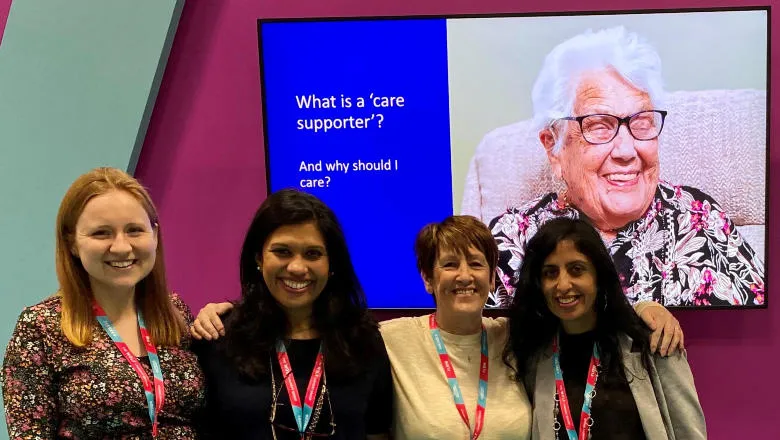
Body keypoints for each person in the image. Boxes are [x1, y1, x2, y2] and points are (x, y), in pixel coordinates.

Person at [192, 214, 685, 439]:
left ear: (494, 275)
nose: (464, 276)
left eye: (477, 263)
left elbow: (587, 322)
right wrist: (224, 311)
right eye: (449, 264)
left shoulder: (523, 340)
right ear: (428, 277)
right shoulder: (387, 338)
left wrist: (647, 307)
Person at [487, 26, 764, 308]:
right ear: (553, 147)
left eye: (641, 123)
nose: (626, 151)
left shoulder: (699, 219)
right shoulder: (512, 241)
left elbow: (757, 334)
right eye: (598, 126)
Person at [1, 167, 205, 439]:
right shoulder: (40, 327)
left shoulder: (175, 313)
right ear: (72, 242)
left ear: (154, 235)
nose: (121, 247)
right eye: (101, 233)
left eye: (134, 230)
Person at [192, 188, 392, 439]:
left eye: (313, 254)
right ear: (258, 258)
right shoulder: (218, 336)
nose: (297, 267)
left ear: (331, 265)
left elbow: (377, 432)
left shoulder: (363, 340)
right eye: (282, 251)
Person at [504, 217, 706, 439]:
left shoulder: (652, 340)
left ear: (598, 276)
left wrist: (648, 306)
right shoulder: (533, 355)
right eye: (550, 273)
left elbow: (689, 432)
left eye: (576, 269)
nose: (562, 285)